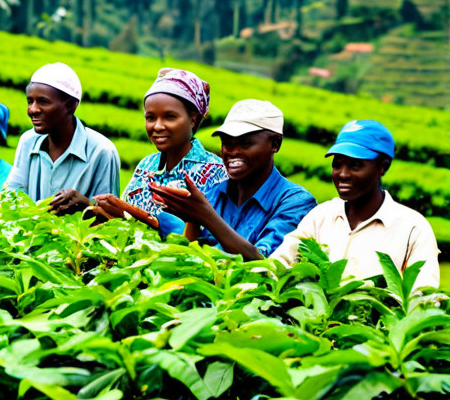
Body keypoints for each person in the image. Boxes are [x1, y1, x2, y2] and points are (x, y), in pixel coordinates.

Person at [270, 120, 440, 288]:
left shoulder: (412, 228)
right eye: (337, 164)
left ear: (383, 167)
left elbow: (423, 297)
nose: (343, 174)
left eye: (356, 165)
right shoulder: (320, 217)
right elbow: (279, 264)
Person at [150, 99, 317, 260]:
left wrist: (207, 217)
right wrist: (190, 219)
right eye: (227, 143)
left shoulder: (296, 202)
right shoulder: (213, 195)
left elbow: (267, 265)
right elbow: (190, 255)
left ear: (275, 144)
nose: (232, 152)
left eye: (245, 143)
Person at [92, 68, 227, 235]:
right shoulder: (146, 166)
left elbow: (215, 240)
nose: (157, 126)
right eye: (150, 117)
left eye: (170, 117)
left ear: (193, 119)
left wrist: (142, 220)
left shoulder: (217, 173)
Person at [5, 62, 121, 214]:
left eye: (43, 102)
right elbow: (11, 198)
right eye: (30, 101)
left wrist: (86, 206)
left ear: (70, 105)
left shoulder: (102, 151)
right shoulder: (28, 141)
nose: (32, 109)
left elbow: (111, 219)